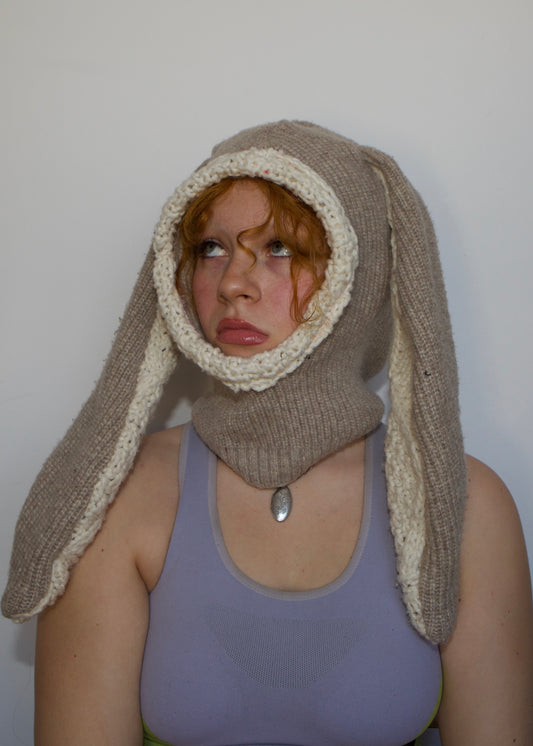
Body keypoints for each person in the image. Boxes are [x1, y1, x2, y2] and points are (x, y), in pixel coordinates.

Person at [3, 121, 532, 746]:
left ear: (357, 276)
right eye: (211, 248)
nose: (232, 283)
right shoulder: (110, 499)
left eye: (281, 247)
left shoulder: (468, 507)